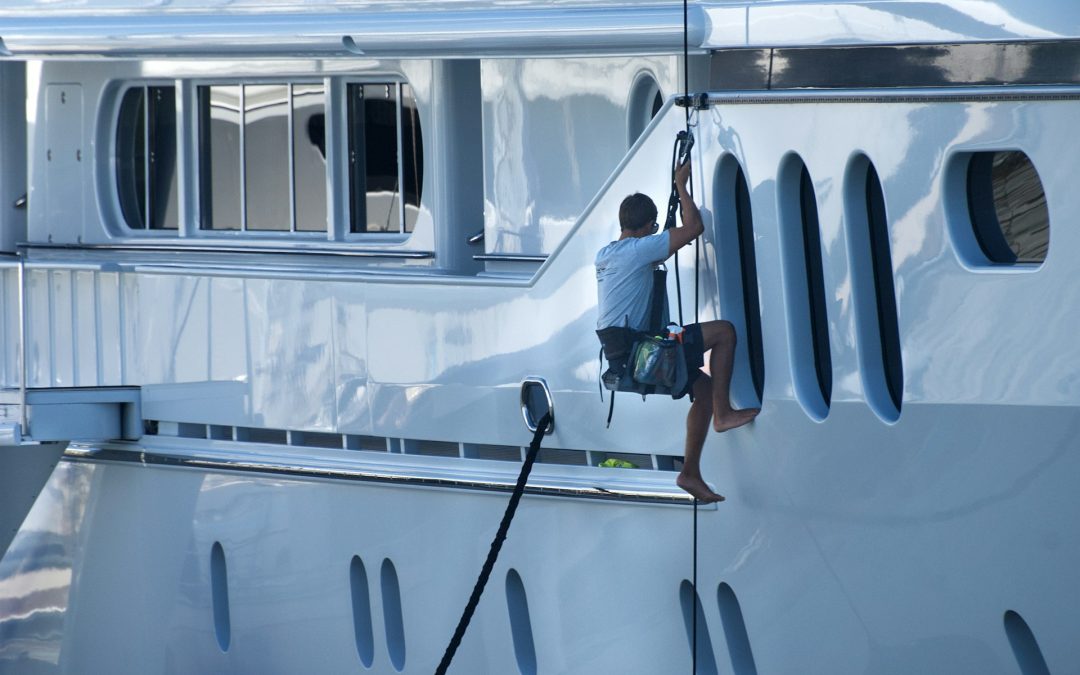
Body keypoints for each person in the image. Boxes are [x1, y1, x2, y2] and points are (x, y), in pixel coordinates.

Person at [595, 160, 759, 503]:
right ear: (646, 227)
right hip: (645, 352)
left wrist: (660, 232)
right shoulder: (640, 250)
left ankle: (690, 473)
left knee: (703, 389)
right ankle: (724, 414)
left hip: (628, 357)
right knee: (725, 332)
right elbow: (694, 227)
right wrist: (681, 186)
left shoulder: (607, 254)